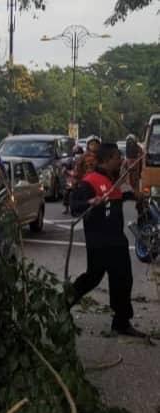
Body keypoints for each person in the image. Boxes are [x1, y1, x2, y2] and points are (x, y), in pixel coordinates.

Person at [68, 143, 145, 337]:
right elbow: (74, 206)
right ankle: (62, 303)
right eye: (117, 157)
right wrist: (90, 202)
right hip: (100, 241)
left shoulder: (112, 181)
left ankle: (121, 321)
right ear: (108, 159)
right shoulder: (90, 181)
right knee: (93, 277)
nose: (120, 160)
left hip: (116, 240)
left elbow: (117, 198)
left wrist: (133, 196)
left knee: (123, 278)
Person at [122, 134, 144, 203]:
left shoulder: (139, 149)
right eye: (129, 142)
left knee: (136, 186)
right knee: (130, 185)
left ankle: (137, 199)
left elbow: (143, 159)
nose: (130, 143)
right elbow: (124, 164)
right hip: (129, 172)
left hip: (136, 172)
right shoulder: (127, 154)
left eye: (132, 142)